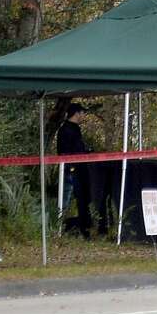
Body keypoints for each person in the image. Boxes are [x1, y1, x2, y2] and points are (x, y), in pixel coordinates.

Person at [57, 101, 94, 239]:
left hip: (77, 169)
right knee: (66, 200)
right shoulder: (66, 129)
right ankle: (59, 228)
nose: (84, 115)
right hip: (71, 170)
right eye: (83, 112)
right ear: (77, 113)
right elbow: (66, 151)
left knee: (82, 200)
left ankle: (83, 228)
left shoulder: (74, 129)